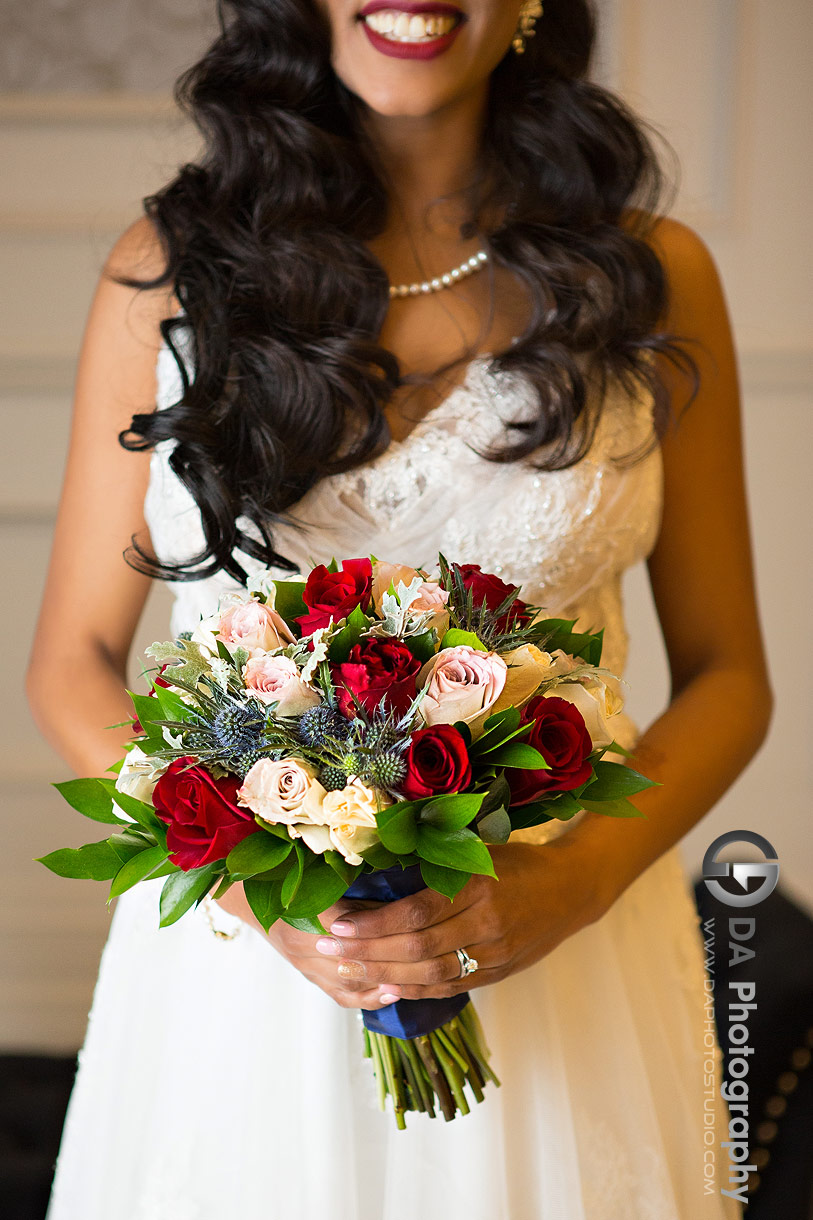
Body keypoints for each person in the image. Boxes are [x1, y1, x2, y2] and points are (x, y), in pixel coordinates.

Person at [27, 2, 770, 1217]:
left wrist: (563, 889)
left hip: (571, 961)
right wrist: (255, 888)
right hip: (245, 985)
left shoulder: (652, 273)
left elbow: (732, 672)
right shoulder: (165, 271)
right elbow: (74, 662)